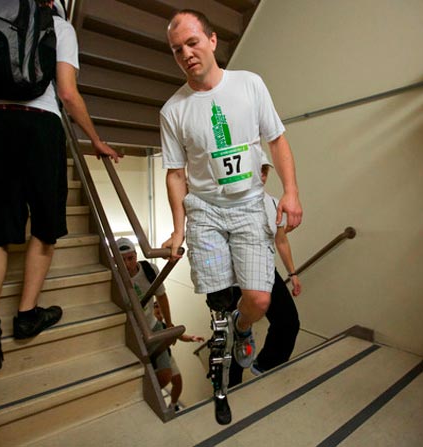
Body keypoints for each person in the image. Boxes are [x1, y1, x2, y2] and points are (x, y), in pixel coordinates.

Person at [0, 0, 122, 374]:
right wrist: (96, 139)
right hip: (39, 123)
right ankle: (26, 314)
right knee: (46, 224)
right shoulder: (58, 26)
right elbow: (67, 93)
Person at [160, 9, 302, 422]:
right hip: (205, 210)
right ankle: (222, 385)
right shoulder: (173, 110)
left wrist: (291, 192)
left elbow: (276, 140)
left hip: (249, 206)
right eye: (177, 49)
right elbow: (175, 173)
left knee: (259, 298)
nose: (186, 54)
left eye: (192, 43)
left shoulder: (249, 84)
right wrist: (177, 229)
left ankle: (243, 327)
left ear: (212, 40)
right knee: (219, 303)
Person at [229, 153, 302, 387]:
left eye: (265, 170)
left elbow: (281, 240)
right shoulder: (230, 202)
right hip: (235, 278)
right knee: (236, 334)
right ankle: (233, 387)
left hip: (266, 271)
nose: (261, 175)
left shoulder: (273, 203)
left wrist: (293, 273)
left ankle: (265, 367)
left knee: (288, 322)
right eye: (257, 169)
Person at [116, 237, 177, 391]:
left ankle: (148, 394)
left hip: (152, 326)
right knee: (135, 374)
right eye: (122, 260)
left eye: (130, 258)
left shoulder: (150, 270)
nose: (127, 264)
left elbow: (161, 296)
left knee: (165, 375)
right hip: (131, 333)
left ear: (136, 256)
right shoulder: (115, 277)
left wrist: (169, 324)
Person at [153, 300, 204, 412]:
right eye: (156, 307)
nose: (159, 309)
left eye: (160, 307)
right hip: (155, 359)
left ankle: (173, 406)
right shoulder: (149, 328)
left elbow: (180, 335)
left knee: (178, 382)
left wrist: (192, 338)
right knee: (158, 384)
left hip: (168, 356)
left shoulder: (166, 325)